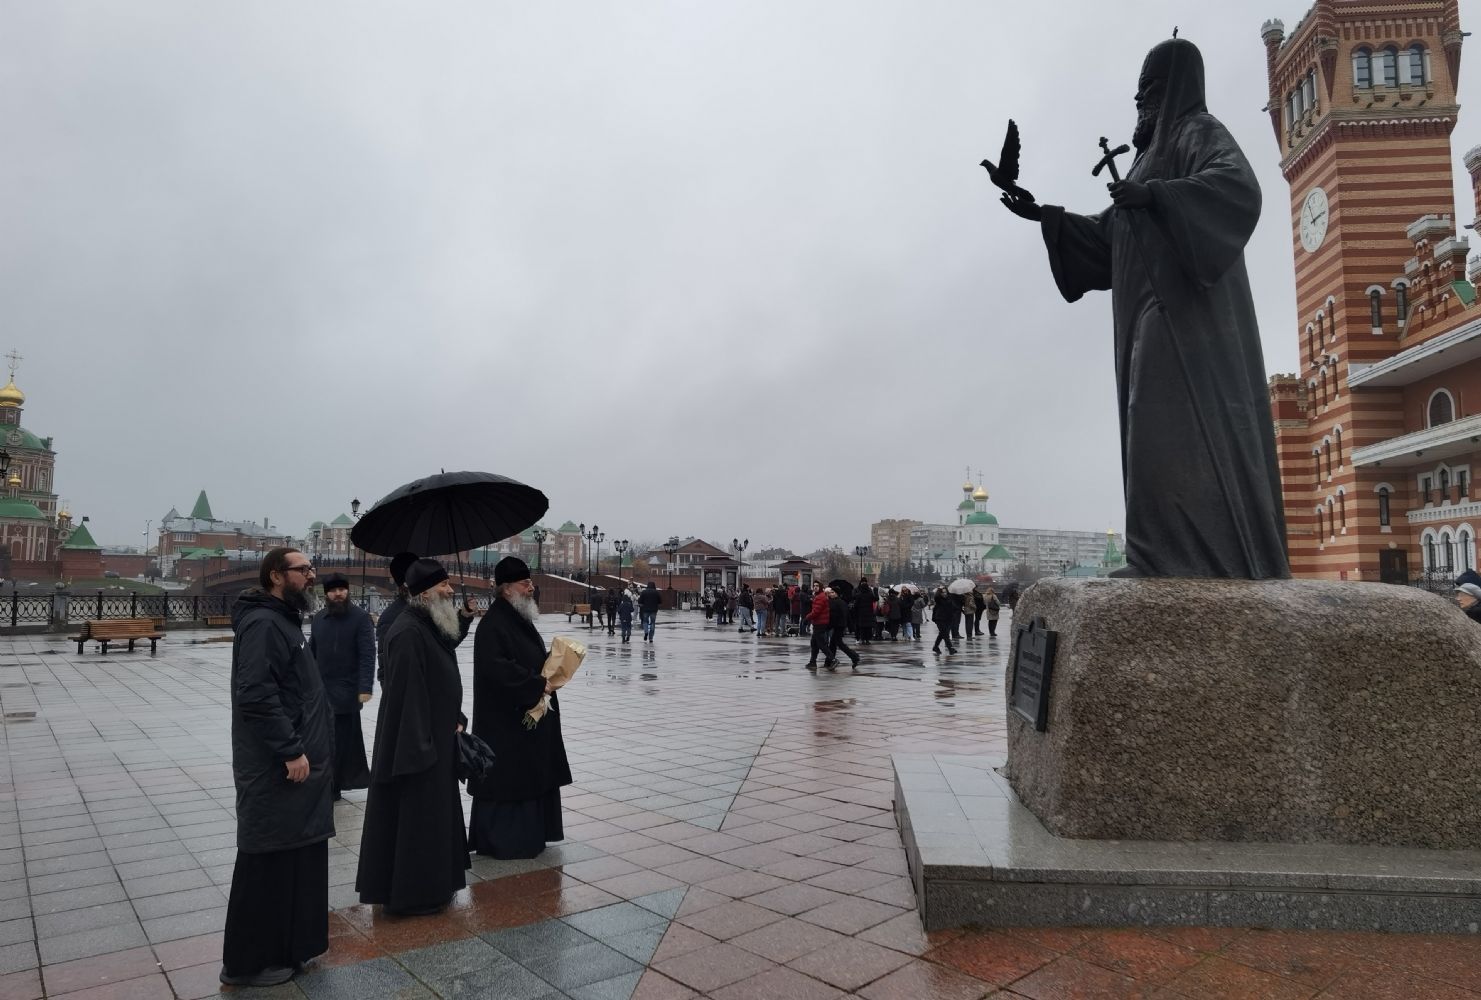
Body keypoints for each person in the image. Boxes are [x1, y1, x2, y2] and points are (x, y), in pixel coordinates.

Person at [993, 37, 1289, 580]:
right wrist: (1041, 214)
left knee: (1157, 420)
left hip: (1185, 321)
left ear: (1174, 87)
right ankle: (1157, 555)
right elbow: (1109, 234)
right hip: (1142, 314)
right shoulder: (1148, 157)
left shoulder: (1197, 131)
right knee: (1147, 424)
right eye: (1137, 92)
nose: (1139, 102)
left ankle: (1171, 556)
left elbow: (1237, 188)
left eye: (1147, 90)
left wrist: (1157, 196)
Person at [221, 548, 335, 987]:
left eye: (311, 568)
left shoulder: (285, 621)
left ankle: (288, 948)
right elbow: (255, 694)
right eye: (303, 570)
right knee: (267, 860)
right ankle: (249, 963)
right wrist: (289, 749)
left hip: (299, 765)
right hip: (276, 768)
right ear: (275, 575)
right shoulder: (264, 624)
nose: (312, 575)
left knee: (294, 857)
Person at [355, 559, 470, 915]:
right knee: (415, 821)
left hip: (435, 737)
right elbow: (408, 697)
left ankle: (434, 887)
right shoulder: (407, 632)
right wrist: (421, 749)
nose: (450, 590)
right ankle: (415, 895)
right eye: (443, 585)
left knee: (432, 821)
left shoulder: (427, 623)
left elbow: (438, 678)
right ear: (424, 592)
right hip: (417, 748)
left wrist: (455, 716)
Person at [468, 557, 573, 859]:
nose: (531, 588)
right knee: (510, 781)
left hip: (524, 717)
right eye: (525, 583)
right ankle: (506, 841)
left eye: (530, 582)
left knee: (530, 775)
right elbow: (497, 669)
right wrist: (536, 683)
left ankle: (533, 835)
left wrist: (553, 666)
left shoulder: (518, 618)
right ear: (506, 589)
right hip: (505, 722)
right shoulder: (493, 625)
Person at [308, 573, 375, 800]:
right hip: (321, 691)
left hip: (347, 692)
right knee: (322, 740)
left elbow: (368, 654)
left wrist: (365, 687)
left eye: (342, 589)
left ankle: (335, 785)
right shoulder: (319, 618)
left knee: (342, 742)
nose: (338, 594)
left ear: (348, 591)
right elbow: (311, 653)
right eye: (333, 590)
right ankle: (326, 782)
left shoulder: (360, 618)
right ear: (326, 594)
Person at [375, 551, 419, 666]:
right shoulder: (390, 619)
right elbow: (385, 667)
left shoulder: (428, 610)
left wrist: (463, 619)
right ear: (406, 583)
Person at [828, 585, 860, 669]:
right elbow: (847, 615)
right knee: (833, 644)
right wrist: (850, 626)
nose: (830, 594)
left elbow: (836, 616)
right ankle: (829, 661)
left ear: (836, 593)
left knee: (839, 643)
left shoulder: (835, 602)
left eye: (832, 592)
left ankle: (854, 657)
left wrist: (829, 626)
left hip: (838, 625)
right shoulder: (842, 602)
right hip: (840, 625)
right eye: (830, 592)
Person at [804, 582, 831, 670]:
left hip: (820, 623)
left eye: (817, 586)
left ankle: (832, 659)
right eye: (814, 586)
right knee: (814, 643)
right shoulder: (818, 596)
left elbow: (816, 611)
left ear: (821, 587)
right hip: (819, 622)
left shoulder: (820, 597)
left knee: (820, 644)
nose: (815, 587)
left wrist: (807, 618)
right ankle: (812, 662)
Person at [932, 585, 959, 655]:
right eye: (943, 592)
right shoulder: (939, 599)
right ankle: (950, 649)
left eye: (945, 592)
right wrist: (939, 589)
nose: (944, 594)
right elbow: (936, 597)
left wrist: (955, 613)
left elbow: (954, 607)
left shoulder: (949, 599)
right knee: (945, 634)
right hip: (940, 619)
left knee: (942, 634)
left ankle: (935, 647)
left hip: (948, 619)